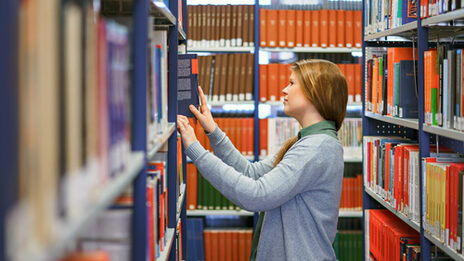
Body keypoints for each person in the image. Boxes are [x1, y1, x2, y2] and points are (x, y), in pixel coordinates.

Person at [177, 59, 348, 260]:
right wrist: (212, 131)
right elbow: (253, 173)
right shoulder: (306, 142)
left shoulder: (316, 148)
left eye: (292, 84)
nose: (284, 90)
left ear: (316, 93)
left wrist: (195, 150)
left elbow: (257, 195)